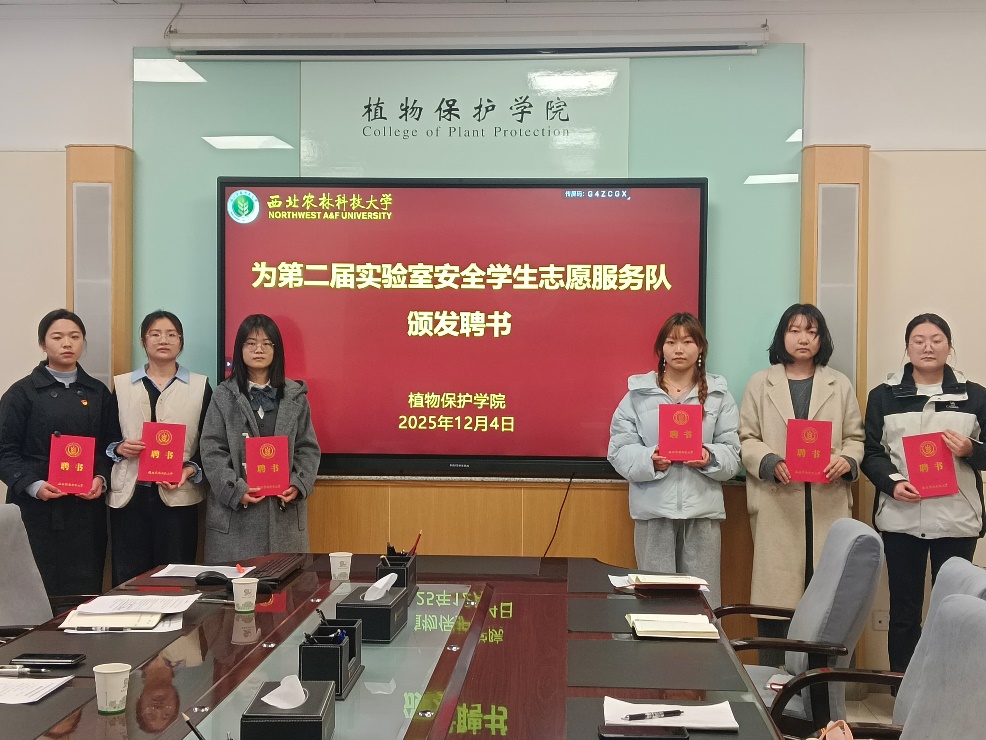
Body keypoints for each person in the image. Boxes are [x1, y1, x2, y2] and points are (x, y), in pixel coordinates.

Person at [739, 304, 864, 664]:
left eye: (811, 331)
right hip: (778, 502)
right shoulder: (760, 383)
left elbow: (855, 438)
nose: (803, 338)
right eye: (794, 330)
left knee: (826, 604)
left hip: (826, 502)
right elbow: (746, 437)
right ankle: (774, 682)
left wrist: (847, 460)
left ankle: (821, 685)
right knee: (775, 602)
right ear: (782, 336)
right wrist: (768, 461)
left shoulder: (839, 384)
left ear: (821, 339)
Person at [861, 312, 986, 673]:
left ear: (949, 347)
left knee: (956, 612)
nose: (928, 347)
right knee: (903, 612)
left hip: (956, 519)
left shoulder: (975, 396)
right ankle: (901, 691)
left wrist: (971, 450)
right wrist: (892, 482)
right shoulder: (883, 396)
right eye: (919, 340)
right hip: (901, 519)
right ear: (907, 347)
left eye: (936, 340)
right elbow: (871, 452)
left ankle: (949, 692)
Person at [608, 312, 741, 608]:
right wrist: (650, 459)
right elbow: (618, 450)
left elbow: (733, 453)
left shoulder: (718, 396)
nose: (679, 349)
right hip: (654, 513)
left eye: (688, 342)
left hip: (702, 515)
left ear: (701, 348)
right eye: (671, 342)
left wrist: (709, 457)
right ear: (661, 348)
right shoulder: (638, 395)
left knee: (703, 604)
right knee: (656, 603)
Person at [0, 309, 114, 595]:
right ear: (43, 344)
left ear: (83, 342)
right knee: (35, 592)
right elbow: (4, 451)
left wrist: (101, 478)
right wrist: (33, 485)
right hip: (35, 509)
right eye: (57, 337)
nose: (67, 343)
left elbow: (111, 446)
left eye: (75, 337)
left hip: (85, 511)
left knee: (83, 591)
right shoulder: (22, 393)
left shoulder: (98, 392)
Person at [201, 314, 320, 563]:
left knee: (287, 584)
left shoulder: (296, 396)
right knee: (234, 586)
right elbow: (212, 449)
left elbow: (307, 448)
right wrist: (234, 490)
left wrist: (299, 483)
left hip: (284, 517)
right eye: (251, 343)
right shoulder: (223, 395)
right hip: (236, 520)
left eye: (267, 344)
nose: (259, 349)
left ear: (276, 350)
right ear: (240, 349)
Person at [106, 310, 212, 586]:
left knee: (176, 578)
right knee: (129, 580)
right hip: (131, 497)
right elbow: (107, 435)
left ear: (181, 341)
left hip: (178, 496)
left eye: (171, 334)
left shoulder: (200, 386)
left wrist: (189, 469)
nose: (163, 340)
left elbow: (210, 441)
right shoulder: (122, 384)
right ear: (143, 341)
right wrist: (120, 447)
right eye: (155, 334)